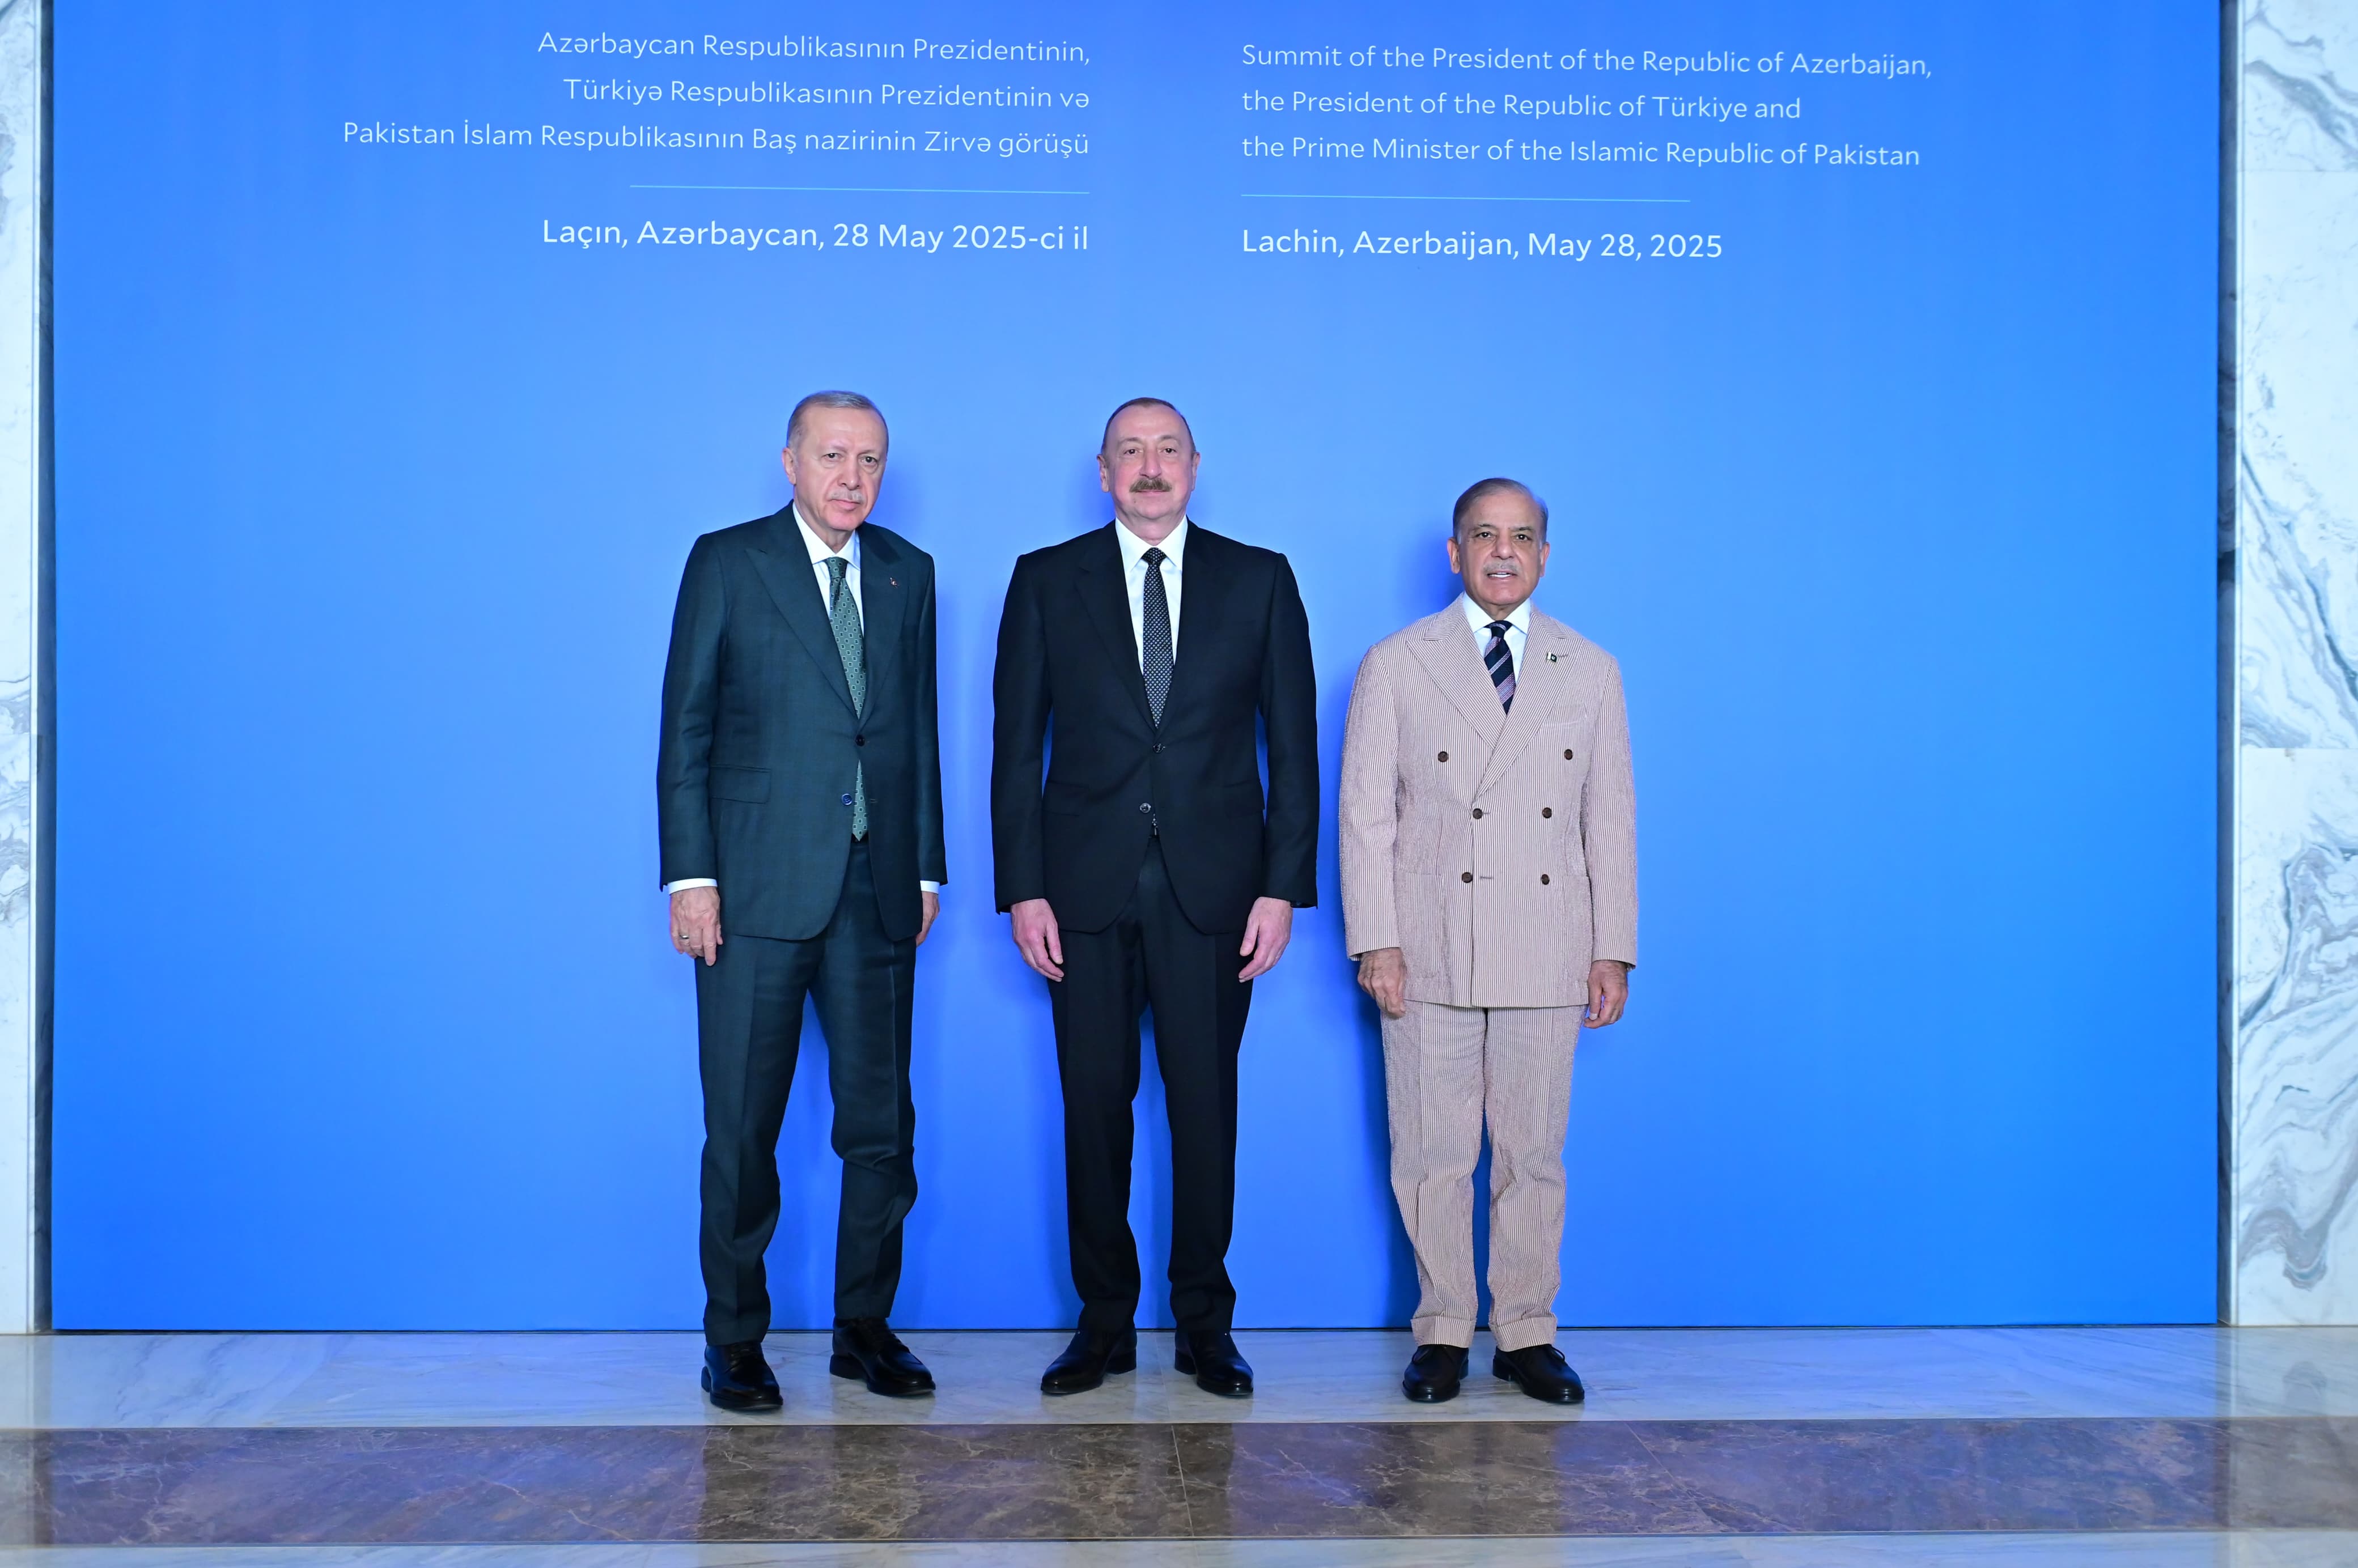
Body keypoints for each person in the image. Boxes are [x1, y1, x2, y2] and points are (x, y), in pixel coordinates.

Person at [991, 398, 1318, 1397]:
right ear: (1102, 471)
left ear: (1196, 465)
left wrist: (1283, 890)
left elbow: (1294, 748)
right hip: (1080, 892)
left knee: (1206, 1108)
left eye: (1166, 451)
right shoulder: (1045, 580)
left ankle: (1204, 1324)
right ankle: (1102, 1323)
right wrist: (1022, 890)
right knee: (1094, 1109)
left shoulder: (1260, 581)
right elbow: (1015, 748)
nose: (1149, 467)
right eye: (1129, 452)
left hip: (1216, 892)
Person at [657, 390, 946, 1410]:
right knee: (742, 1130)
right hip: (755, 895)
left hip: (876, 895)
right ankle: (734, 1341)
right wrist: (692, 879)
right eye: (833, 457)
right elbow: (685, 732)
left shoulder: (910, 574)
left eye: (869, 460)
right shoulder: (729, 562)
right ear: (790, 461)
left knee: (882, 1131)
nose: (852, 478)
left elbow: (913, 730)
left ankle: (863, 1330)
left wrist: (924, 869)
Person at [1337, 477, 1636, 1406]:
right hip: (1428, 944)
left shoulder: (1591, 669)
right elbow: (1363, 817)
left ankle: (1526, 1333)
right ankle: (1440, 1330)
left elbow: (1611, 820)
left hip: (1548, 938)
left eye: (1521, 537)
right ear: (1455, 552)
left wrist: (1613, 946)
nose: (1502, 552)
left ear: (1545, 555)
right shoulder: (1396, 662)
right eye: (1484, 535)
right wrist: (1374, 938)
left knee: (1533, 1152)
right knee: (1432, 1148)